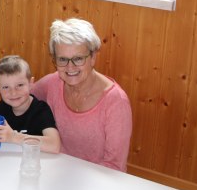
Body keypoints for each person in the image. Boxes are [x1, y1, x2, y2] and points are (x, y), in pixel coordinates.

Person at [31, 18, 132, 171]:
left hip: (97, 182)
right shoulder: (52, 83)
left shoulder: (116, 102)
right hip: (54, 172)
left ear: (93, 58)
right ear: (54, 60)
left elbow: (114, 167)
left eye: (78, 59)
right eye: (63, 59)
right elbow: (19, 100)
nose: (70, 67)